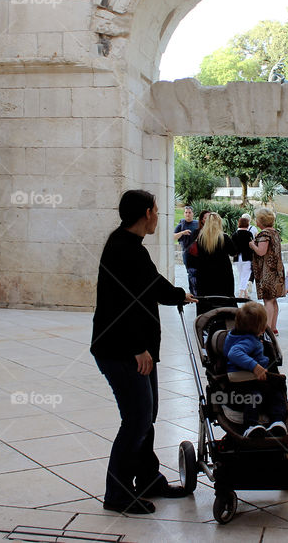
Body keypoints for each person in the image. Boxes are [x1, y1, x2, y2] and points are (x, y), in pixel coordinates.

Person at [91, 190, 197, 515]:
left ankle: (148, 478)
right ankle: (118, 494)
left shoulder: (130, 246)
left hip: (133, 348)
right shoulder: (123, 249)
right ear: (146, 213)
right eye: (156, 210)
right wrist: (137, 348)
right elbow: (120, 304)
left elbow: (150, 284)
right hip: (121, 350)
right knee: (136, 420)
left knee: (146, 417)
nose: (158, 216)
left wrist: (180, 295)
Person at [223, 302, 288, 438]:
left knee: (271, 393)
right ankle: (252, 425)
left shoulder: (234, 336)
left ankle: (276, 423)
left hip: (243, 384)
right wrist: (255, 367)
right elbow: (234, 353)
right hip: (245, 383)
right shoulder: (248, 342)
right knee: (265, 395)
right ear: (262, 329)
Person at [188, 213, 237, 315]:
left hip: (204, 275)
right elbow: (234, 252)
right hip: (223, 275)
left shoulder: (200, 239)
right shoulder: (224, 238)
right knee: (225, 301)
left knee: (206, 302)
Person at [248, 208, 284, 334]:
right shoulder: (275, 233)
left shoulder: (264, 234)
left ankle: (267, 329)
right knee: (273, 300)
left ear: (261, 220)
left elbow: (261, 251)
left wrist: (252, 245)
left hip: (268, 271)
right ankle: (273, 327)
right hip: (277, 270)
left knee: (268, 300)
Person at [173, 206, 199, 295]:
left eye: (189, 212)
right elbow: (173, 236)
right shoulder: (181, 225)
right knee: (191, 273)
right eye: (186, 212)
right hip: (187, 253)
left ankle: (199, 291)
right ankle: (193, 292)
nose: (188, 214)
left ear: (193, 214)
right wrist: (182, 233)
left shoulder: (198, 224)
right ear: (184, 214)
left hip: (199, 253)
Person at [232, 217, 255, 299]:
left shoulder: (234, 234)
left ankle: (245, 294)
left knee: (242, 275)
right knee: (246, 275)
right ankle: (241, 294)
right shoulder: (249, 234)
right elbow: (252, 245)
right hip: (247, 257)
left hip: (237, 257)